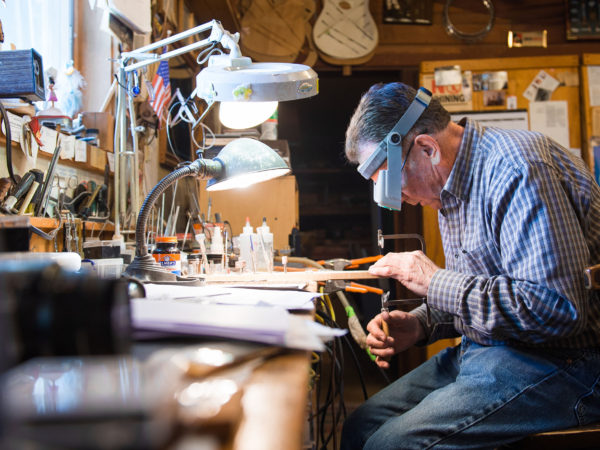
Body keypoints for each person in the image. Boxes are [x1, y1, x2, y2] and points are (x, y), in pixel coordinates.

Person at [341, 82, 600, 449]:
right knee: (361, 428)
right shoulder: (449, 184)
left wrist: (434, 281)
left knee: (391, 445)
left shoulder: (518, 169)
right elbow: (483, 292)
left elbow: (558, 309)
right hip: (490, 350)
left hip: (570, 362)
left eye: (392, 182)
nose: (396, 199)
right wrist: (420, 323)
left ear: (426, 148)